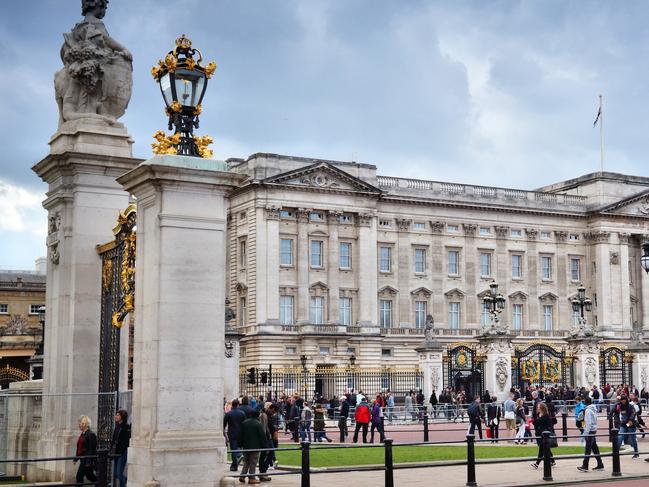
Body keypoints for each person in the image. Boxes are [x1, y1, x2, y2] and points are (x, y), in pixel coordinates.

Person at [239, 410, 267, 485]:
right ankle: (252, 478)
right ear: (257, 416)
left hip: (245, 446)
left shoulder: (244, 423)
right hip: (255, 446)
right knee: (253, 462)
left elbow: (240, 434)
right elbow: (262, 436)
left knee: (246, 462)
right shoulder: (258, 424)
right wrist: (265, 445)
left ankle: (242, 476)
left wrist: (240, 444)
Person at [577, 396, 605, 472]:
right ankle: (600, 464)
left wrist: (585, 434)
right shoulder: (593, 409)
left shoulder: (587, 410)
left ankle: (585, 465)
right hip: (593, 429)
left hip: (590, 431)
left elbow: (588, 423)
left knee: (588, 449)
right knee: (594, 448)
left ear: (585, 402)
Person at [224, 398, 247, 471]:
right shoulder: (242, 413)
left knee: (233, 450)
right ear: (237, 405)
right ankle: (239, 456)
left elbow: (224, 424)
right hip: (240, 433)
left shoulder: (228, 414)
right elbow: (245, 424)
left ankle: (235, 464)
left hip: (232, 433)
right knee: (239, 448)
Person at [73, 415, 97, 485]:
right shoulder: (83, 434)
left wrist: (88, 462)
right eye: (80, 423)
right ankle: (101, 484)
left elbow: (91, 449)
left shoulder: (91, 434)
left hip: (86, 460)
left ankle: (101, 484)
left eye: (82, 423)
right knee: (90, 476)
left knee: (79, 477)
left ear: (87, 425)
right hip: (83, 459)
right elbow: (79, 447)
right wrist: (76, 459)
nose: (80, 425)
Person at [531, 402, 555, 469]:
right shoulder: (542, 415)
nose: (537, 408)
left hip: (544, 434)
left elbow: (536, 423)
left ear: (542, 408)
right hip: (543, 434)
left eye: (538, 407)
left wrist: (535, 416)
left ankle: (537, 464)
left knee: (541, 449)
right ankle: (552, 461)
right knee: (545, 449)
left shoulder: (545, 416)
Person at [614, 394, 639, 458]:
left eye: (624, 400)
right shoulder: (619, 405)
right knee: (620, 436)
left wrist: (630, 420)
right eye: (622, 400)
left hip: (631, 424)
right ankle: (616, 452)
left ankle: (636, 452)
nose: (623, 401)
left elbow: (633, 413)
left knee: (633, 438)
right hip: (623, 424)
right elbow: (615, 410)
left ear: (626, 400)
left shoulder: (630, 406)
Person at [111, 409, 131, 487]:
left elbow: (126, 441)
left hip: (122, 453)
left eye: (118, 415)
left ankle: (127, 483)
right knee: (116, 474)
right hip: (116, 452)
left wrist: (121, 450)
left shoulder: (126, 427)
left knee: (119, 474)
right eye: (116, 415)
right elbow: (113, 440)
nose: (116, 416)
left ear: (122, 416)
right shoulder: (117, 427)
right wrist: (111, 449)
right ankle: (127, 481)